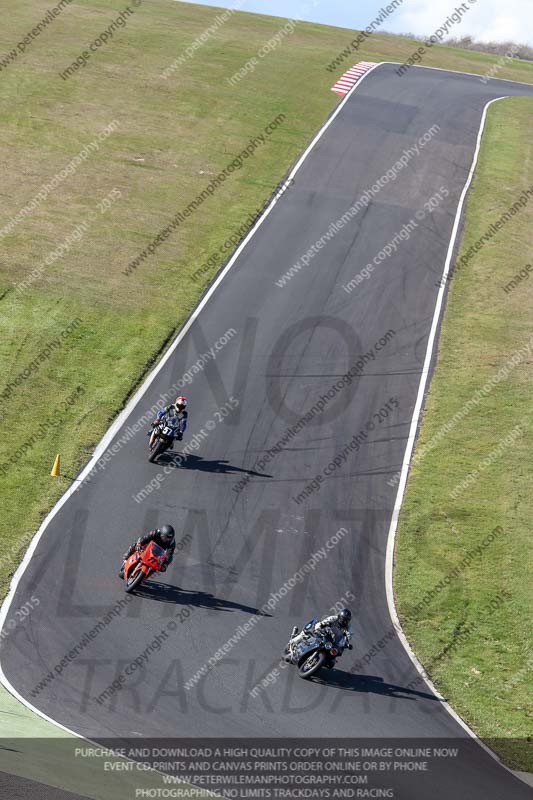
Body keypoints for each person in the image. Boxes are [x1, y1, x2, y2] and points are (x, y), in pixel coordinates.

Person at [286, 608, 353, 654]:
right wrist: (321, 625)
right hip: (325, 632)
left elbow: (349, 635)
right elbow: (325, 621)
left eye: (347, 620)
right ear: (340, 617)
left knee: (333, 659)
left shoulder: (348, 627)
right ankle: (293, 641)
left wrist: (346, 643)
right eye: (344, 619)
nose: (345, 621)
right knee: (308, 631)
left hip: (334, 640)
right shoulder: (334, 618)